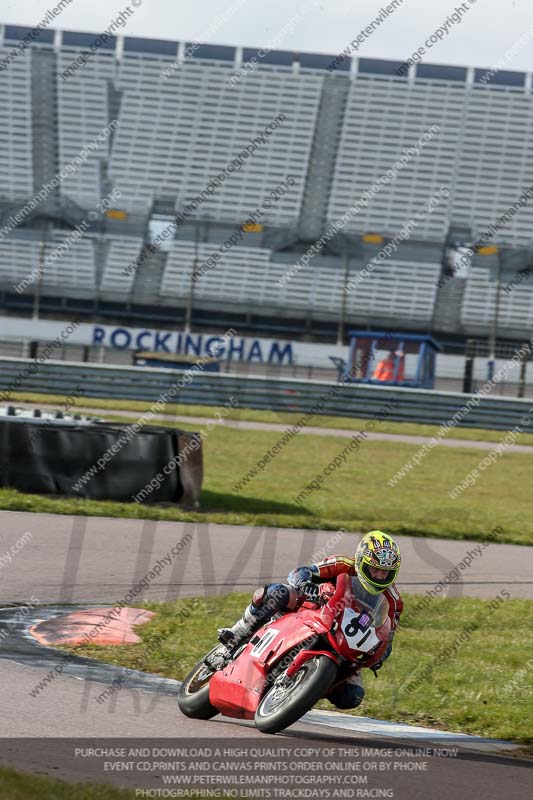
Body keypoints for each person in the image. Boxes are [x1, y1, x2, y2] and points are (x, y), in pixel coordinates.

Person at [218, 531, 403, 710]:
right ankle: (238, 632)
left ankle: (304, 690)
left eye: (385, 572)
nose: (379, 576)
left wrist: (381, 654)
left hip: (347, 641)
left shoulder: (394, 599)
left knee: (352, 696)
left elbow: (387, 635)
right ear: (361, 561)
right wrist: (305, 585)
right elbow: (300, 572)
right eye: (375, 569)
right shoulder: (343, 563)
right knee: (277, 593)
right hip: (312, 610)